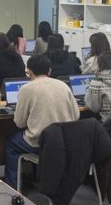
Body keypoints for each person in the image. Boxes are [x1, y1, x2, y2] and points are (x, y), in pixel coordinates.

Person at [5, 55, 79, 188]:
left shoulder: (27, 88)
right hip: (64, 141)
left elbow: (19, 123)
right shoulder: (63, 85)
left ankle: (12, 187)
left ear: (29, 71)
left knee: (11, 143)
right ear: (49, 70)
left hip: (39, 142)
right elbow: (76, 115)